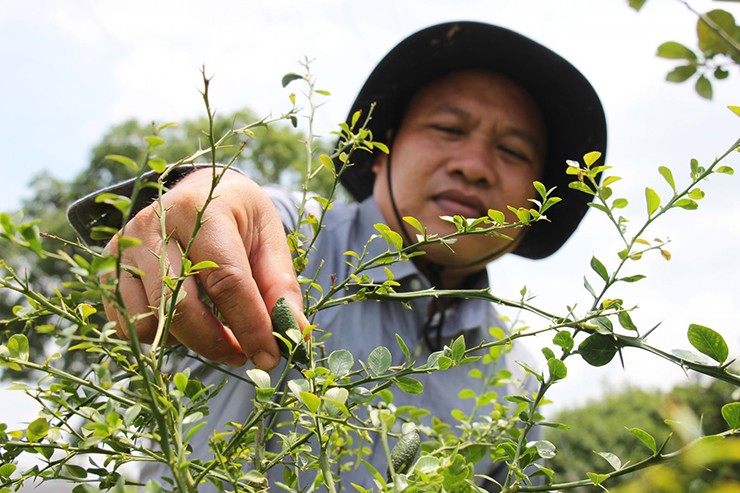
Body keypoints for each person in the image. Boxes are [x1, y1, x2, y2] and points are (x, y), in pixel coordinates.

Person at [67, 21, 607, 491]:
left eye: (512, 151)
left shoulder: (517, 376)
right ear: (380, 151)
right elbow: (225, 215)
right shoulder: (294, 236)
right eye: (448, 128)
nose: (473, 164)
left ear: (539, 203)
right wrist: (202, 198)